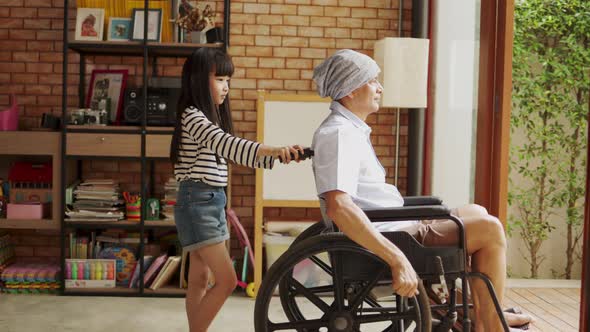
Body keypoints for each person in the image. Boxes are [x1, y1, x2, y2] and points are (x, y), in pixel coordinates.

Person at [311, 49, 532, 331]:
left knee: (476, 211)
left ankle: (488, 311)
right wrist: (397, 258)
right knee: (489, 229)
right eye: (372, 81)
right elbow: (339, 207)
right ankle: (490, 325)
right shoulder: (340, 134)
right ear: (350, 91)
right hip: (391, 234)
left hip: (395, 225)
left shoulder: (350, 129)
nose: (380, 88)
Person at [170, 48, 303, 332]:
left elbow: (234, 153)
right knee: (227, 280)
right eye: (219, 78)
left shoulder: (207, 117)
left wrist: (278, 156)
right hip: (199, 202)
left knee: (199, 278)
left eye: (228, 79)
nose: (226, 86)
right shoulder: (193, 116)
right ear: (196, 80)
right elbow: (230, 145)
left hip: (208, 201)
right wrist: (276, 150)